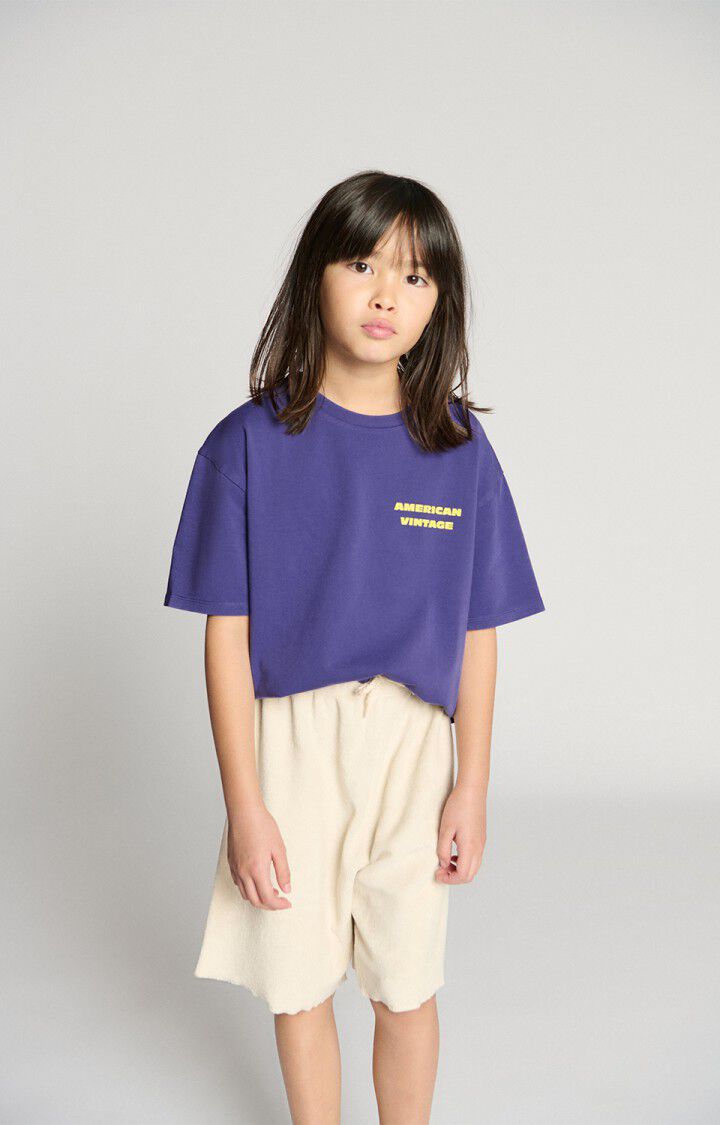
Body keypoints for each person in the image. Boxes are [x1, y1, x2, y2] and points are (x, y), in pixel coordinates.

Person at [163, 170, 545, 1124]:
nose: (386, 295)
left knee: (406, 981)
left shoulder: (458, 450)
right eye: (363, 264)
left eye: (415, 276)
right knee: (297, 982)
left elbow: (479, 631)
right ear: (316, 276)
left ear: (438, 302)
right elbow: (226, 638)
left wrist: (471, 784)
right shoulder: (245, 445)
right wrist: (245, 804)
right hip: (291, 744)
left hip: (415, 749)